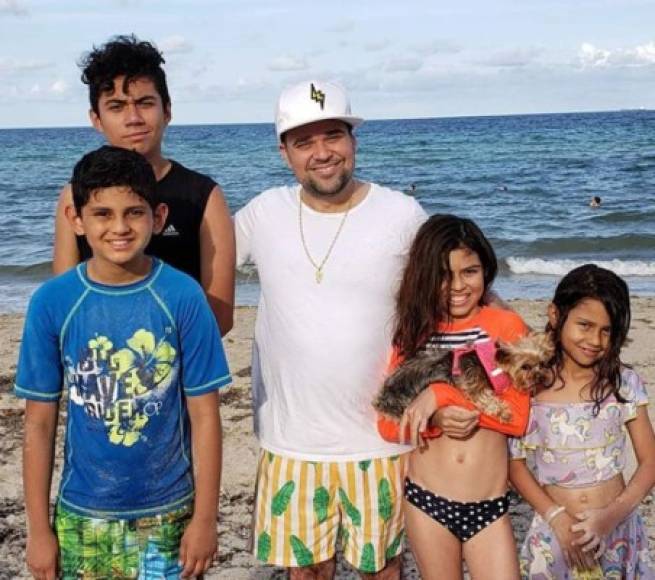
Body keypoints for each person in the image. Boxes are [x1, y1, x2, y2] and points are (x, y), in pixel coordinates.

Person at [235, 80, 428, 578]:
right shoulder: (262, 214)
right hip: (291, 440)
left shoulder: (402, 213)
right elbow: (190, 278)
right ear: (284, 152)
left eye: (333, 136)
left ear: (353, 140)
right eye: (304, 141)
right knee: (307, 573)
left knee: (383, 570)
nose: (322, 153)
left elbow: (453, 298)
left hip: (384, 440)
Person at [17, 146, 231, 580]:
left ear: (159, 215)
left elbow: (206, 416)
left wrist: (204, 520)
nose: (119, 227)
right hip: (83, 516)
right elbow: (39, 423)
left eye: (134, 212)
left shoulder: (183, 296)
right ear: (76, 219)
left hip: (169, 514)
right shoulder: (52, 303)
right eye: (102, 214)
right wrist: (39, 530)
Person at [376, 214, 532, 580]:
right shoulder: (414, 335)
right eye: (443, 276)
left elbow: (517, 417)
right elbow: (386, 422)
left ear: (486, 269)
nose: (457, 286)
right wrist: (433, 420)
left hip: (489, 506)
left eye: (470, 272)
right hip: (427, 502)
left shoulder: (505, 327)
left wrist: (443, 394)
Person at [52, 34, 235, 335]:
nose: (133, 118)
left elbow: (220, 317)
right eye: (116, 106)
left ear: (167, 111)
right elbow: (65, 302)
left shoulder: (203, 195)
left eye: (145, 103)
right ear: (96, 119)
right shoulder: (75, 194)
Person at [509, 264, 655, 578]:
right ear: (554, 315)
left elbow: (650, 462)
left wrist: (610, 517)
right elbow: (514, 464)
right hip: (555, 532)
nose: (595, 339)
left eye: (607, 330)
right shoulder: (528, 386)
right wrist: (557, 518)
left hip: (616, 531)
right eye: (585, 325)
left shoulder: (623, 383)